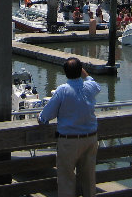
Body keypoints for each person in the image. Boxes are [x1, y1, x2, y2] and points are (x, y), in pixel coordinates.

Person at [37, 57, 101, 197]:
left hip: (69, 141)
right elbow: (93, 82)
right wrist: (83, 72)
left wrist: (40, 117)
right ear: (81, 70)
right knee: (89, 179)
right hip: (90, 138)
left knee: (66, 179)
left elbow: (45, 117)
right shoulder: (90, 87)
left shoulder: (62, 90)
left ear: (65, 73)